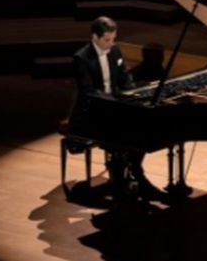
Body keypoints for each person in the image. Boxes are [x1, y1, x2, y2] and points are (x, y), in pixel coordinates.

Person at [70, 16, 165, 201]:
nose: (111, 43)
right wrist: (113, 102)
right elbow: (88, 91)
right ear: (95, 37)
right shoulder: (81, 58)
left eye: (113, 39)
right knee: (128, 132)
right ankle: (128, 177)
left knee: (143, 127)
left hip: (115, 106)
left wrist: (133, 93)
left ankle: (133, 172)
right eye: (107, 40)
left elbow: (124, 78)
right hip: (92, 112)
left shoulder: (114, 50)